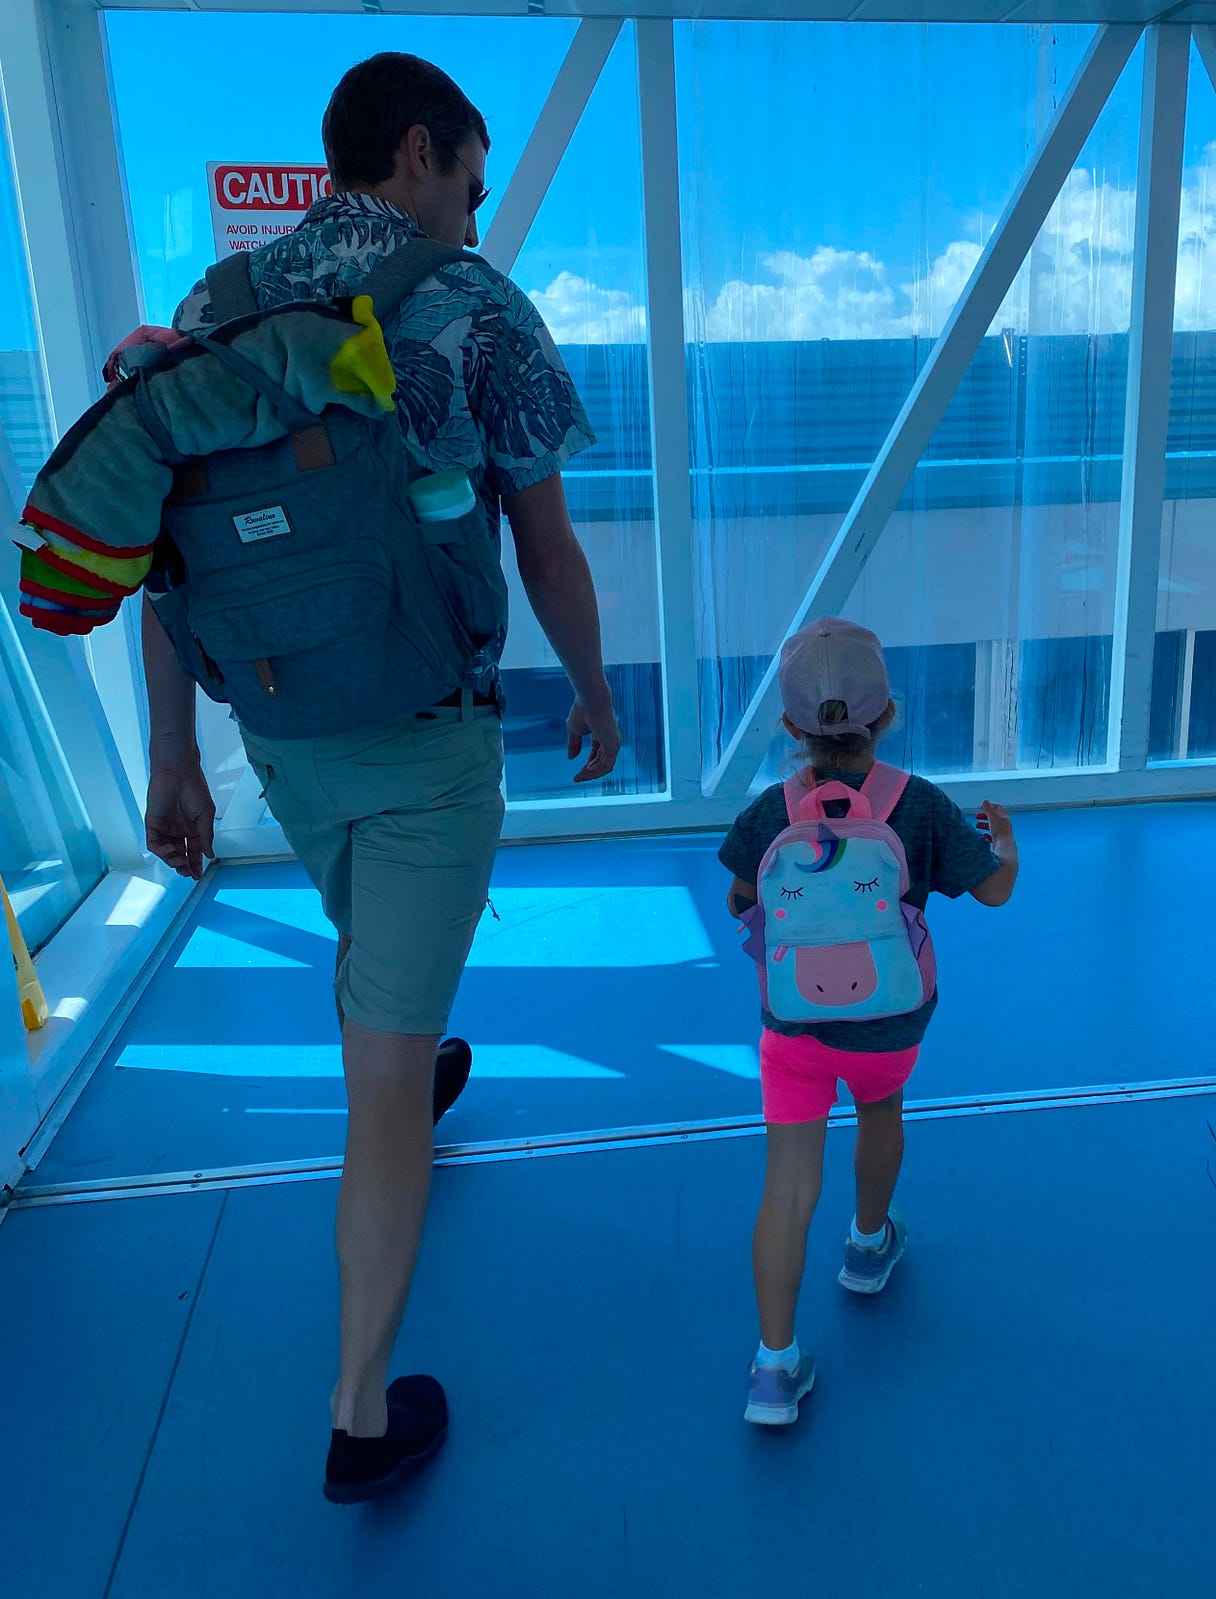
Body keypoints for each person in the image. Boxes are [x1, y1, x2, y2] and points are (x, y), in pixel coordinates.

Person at [141, 52, 621, 1501]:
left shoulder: (215, 311)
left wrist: (177, 751)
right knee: (381, 1081)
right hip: (425, 736)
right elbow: (542, 542)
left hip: (283, 731)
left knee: (381, 962)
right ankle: (359, 1409)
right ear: (419, 153)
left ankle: (415, 1041)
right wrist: (594, 685)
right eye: (472, 178)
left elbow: (166, 559)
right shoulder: (476, 307)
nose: (476, 210)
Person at [718, 617, 1019, 1425]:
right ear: (887, 714)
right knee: (880, 1113)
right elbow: (993, 890)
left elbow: (741, 899)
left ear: (789, 726)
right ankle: (867, 1243)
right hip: (891, 1025)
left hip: (793, 1032)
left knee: (785, 1186)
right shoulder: (917, 806)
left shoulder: (767, 814)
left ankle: (773, 1369)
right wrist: (1009, 849)